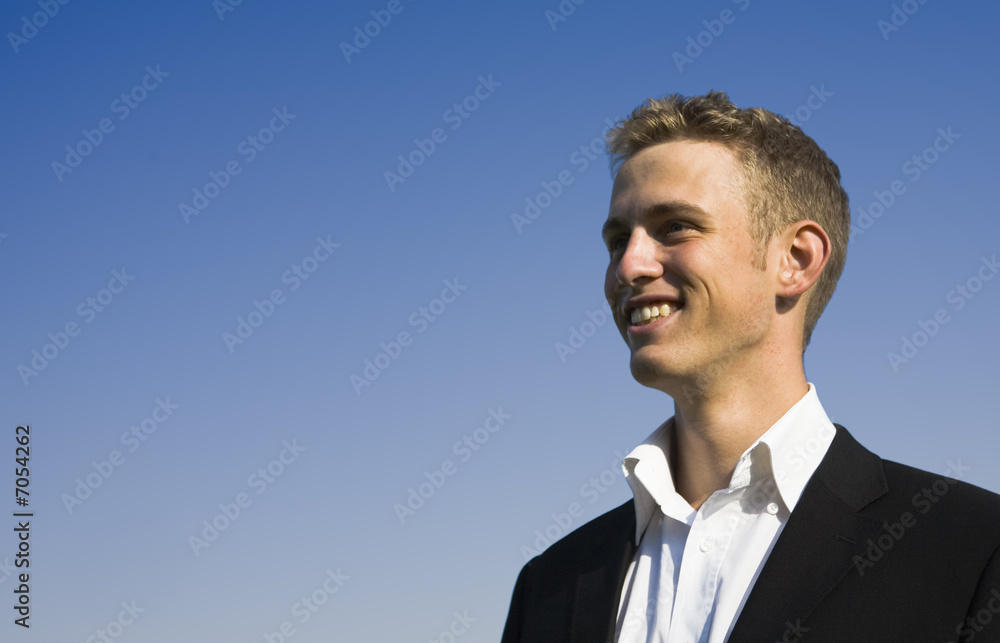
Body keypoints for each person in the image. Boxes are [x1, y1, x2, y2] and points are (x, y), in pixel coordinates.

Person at [500, 91, 1000, 643]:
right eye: (619, 240)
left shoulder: (975, 552)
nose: (628, 266)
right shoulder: (549, 584)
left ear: (796, 260)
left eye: (675, 226)